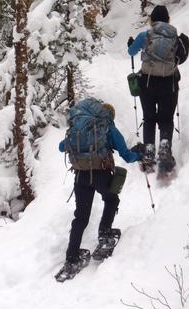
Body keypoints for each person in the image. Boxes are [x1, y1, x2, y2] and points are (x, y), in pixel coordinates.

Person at [58, 102, 142, 274]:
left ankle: (71, 257)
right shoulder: (107, 127)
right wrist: (139, 155)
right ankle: (105, 235)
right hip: (101, 173)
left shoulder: (79, 128)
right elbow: (126, 155)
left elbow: (61, 147)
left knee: (80, 217)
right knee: (111, 199)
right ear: (108, 116)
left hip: (81, 176)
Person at [127, 5, 189, 174]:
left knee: (149, 117)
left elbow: (131, 52)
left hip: (147, 82)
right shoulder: (175, 37)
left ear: (152, 20)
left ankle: (148, 155)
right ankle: (164, 149)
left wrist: (132, 44)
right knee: (166, 118)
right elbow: (181, 58)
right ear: (168, 20)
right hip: (169, 83)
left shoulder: (145, 35)